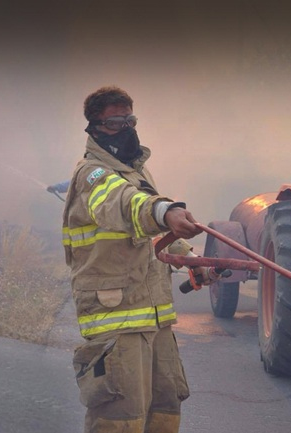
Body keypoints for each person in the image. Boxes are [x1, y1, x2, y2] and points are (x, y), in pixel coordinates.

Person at [62, 86, 206, 433]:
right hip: (117, 320)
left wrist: (190, 258)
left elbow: (153, 233)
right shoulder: (93, 175)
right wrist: (162, 208)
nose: (127, 129)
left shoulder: (136, 175)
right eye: (116, 122)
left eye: (131, 120)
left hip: (154, 318)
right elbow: (124, 203)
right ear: (94, 128)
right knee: (120, 418)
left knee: (164, 409)